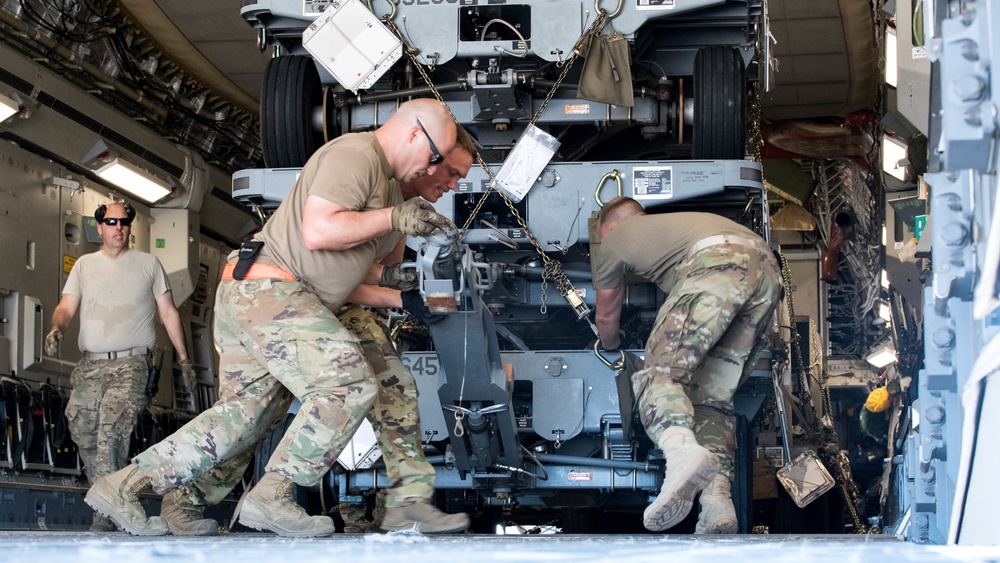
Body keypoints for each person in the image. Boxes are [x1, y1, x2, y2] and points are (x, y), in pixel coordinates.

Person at [84, 98, 459, 537]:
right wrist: (394, 218)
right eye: (441, 161)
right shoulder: (355, 156)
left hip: (282, 295)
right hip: (269, 289)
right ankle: (271, 497)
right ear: (417, 135)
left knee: (245, 416)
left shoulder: (387, 185)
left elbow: (345, 268)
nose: (443, 175)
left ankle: (125, 484)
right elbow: (318, 232)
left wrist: (398, 282)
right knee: (347, 382)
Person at [590, 196, 781, 534]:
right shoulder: (679, 229)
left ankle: (680, 453)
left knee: (660, 372)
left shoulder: (613, 240)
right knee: (709, 397)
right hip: (767, 274)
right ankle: (716, 502)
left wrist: (611, 344)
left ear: (612, 226)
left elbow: (606, 314)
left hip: (718, 264)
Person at [44, 201, 196, 532]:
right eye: (111, 222)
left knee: (110, 428)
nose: (118, 227)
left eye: (124, 222)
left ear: (129, 227)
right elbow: (66, 305)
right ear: (99, 227)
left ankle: (117, 510)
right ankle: (108, 503)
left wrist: (184, 360)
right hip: (91, 366)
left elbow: (169, 312)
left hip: (132, 363)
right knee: (83, 431)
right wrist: (57, 328)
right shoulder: (84, 265)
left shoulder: (148, 264)